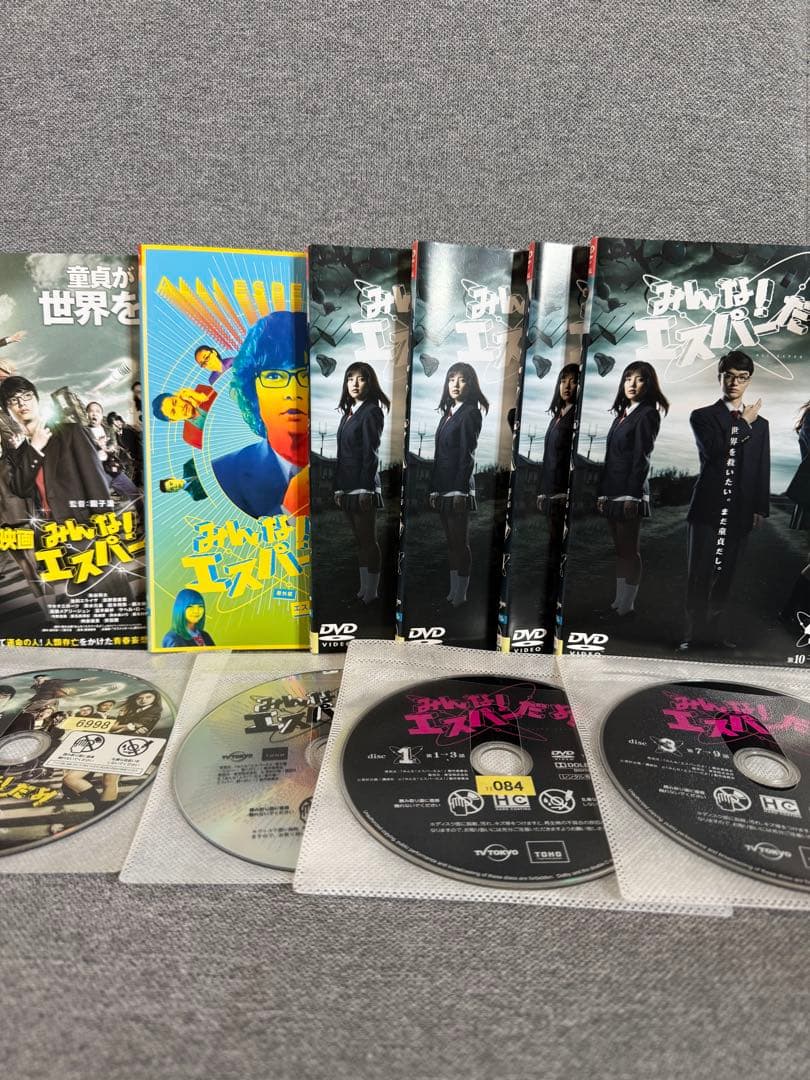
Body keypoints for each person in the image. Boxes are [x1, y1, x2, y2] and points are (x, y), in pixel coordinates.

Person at [680, 350, 770, 650]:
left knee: (726, 574)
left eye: (742, 378)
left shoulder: (761, 424)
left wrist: (760, 507)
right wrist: (743, 424)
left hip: (741, 510)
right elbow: (715, 453)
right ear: (720, 377)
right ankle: (694, 636)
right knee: (700, 574)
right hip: (707, 507)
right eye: (728, 376)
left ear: (749, 381)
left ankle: (715, 636)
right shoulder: (702, 416)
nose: (734, 383)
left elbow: (761, 466)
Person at [212, 311, 309, 518]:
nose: (292, 392)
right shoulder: (221, 474)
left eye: (305, 375)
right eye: (274, 376)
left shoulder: (346, 466)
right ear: (252, 391)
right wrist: (288, 512)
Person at [597, 361, 669, 620]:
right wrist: (603, 493)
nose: (632, 384)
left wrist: (632, 495)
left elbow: (642, 457)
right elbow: (610, 458)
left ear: (649, 385)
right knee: (620, 551)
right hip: (612, 490)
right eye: (628, 378)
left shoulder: (648, 414)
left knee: (630, 550)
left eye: (639, 379)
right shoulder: (621, 415)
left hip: (630, 492)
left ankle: (628, 605)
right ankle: (618, 601)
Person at [0, 376, 112, 521]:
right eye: (14, 400)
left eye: (27, 396)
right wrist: (34, 448)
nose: (22, 403)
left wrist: (105, 522)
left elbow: (95, 483)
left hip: (79, 525)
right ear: (7, 411)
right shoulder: (20, 451)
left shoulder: (71, 432)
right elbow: (21, 490)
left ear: (36, 399)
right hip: (46, 528)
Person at [429, 362, 489, 607]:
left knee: (460, 543)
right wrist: (434, 488)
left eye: (462, 379)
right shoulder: (448, 414)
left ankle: (461, 594)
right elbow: (439, 456)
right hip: (443, 487)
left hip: (458, 488)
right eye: (451, 378)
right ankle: (453, 591)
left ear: (470, 384)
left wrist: (459, 490)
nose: (455, 384)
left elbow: (467, 455)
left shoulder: (471, 413)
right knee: (451, 543)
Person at [333, 362, 390, 604]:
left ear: (370, 383)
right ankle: (363, 588)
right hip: (347, 486)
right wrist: (338, 487)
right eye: (350, 378)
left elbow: (371, 452)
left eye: (361, 378)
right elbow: (341, 454)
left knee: (368, 540)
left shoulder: (372, 411)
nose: (355, 383)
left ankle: (372, 591)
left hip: (363, 486)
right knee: (359, 540)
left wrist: (366, 487)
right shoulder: (348, 414)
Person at [62, 690, 164, 809]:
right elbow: (118, 726)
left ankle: (101, 809)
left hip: (125, 746)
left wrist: (123, 727)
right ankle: (99, 806)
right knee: (71, 778)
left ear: (155, 699)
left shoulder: (154, 710)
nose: (143, 700)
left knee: (109, 781)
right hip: (109, 743)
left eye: (148, 697)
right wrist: (123, 723)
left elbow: (134, 726)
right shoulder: (131, 711)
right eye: (140, 698)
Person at [84, 401, 140, 502]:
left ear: (101, 415)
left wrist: (105, 447)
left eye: (97, 411)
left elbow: (113, 444)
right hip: (96, 472)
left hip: (112, 467)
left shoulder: (108, 430)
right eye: (91, 411)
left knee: (134, 494)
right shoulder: (83, 432)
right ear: (86, 414)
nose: (94, 414)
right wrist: (96, 447)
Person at [151, 385, 216, 451]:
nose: (180, 407)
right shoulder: (189, 437)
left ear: (178, 396)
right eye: (173, 412)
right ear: (173, 420)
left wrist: (201, 395)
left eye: (175, 402)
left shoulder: (202, 390)